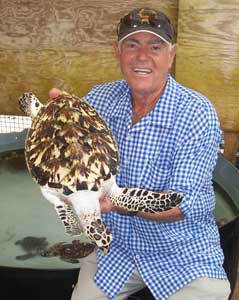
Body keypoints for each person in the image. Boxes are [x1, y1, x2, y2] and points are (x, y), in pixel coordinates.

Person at [51, 7, 231, 300]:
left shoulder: (196, 112)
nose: (142, 56)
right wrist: (56, 120)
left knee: (213, 294)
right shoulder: (100, 99)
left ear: (171, 55)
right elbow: (69, 154)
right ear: (117, 52)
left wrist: (115, 202)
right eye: (132, 45)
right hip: (115, 248)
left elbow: (181, 204)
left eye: (155, 46)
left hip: (181, 251)